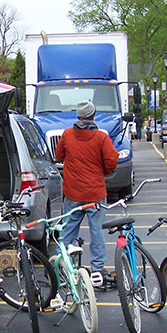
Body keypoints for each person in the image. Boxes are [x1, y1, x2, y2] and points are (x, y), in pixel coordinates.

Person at [55, 99, 119, 287]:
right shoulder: (101, 137)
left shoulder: (67, 134)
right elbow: (112, 160)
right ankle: (97, 267)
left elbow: (59, 155)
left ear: (78, 116)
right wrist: (103, 171)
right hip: (95, 192)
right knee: (96, 230)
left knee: (69, 229)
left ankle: (63, 261)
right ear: (94, 115)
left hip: (72, 191)